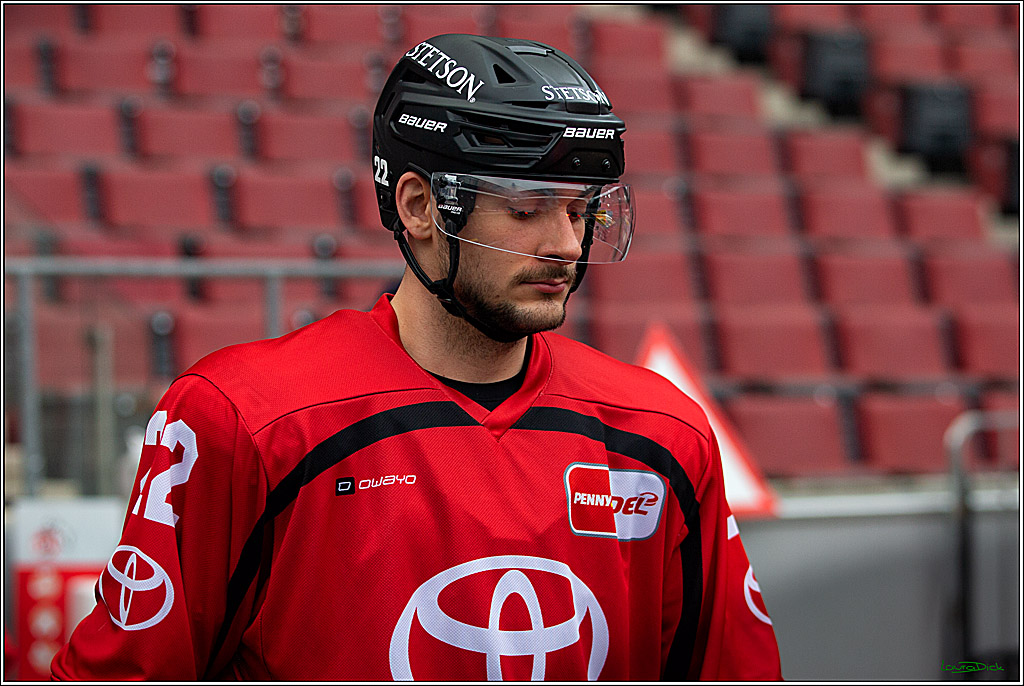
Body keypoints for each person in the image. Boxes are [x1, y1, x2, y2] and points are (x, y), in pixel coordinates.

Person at [52, 33, 782, 680]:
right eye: (527, 209)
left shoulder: (663, 436)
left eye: (580, 210)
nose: (564, 245)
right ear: (418, 206)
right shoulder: (244, 419)